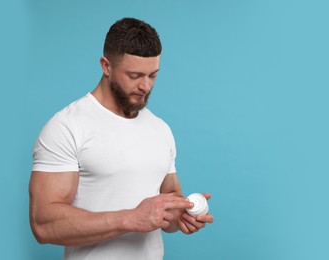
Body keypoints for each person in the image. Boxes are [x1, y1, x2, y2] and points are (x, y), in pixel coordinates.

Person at [29, 17, 214, 260]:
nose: (145, 86)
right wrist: (130, 218)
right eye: (135, 75)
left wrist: (183, 215)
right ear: (106, 66)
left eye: (153, 75)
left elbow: (169, 203)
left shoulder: (160, 129)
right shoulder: (67, 126)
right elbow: (43, 224)